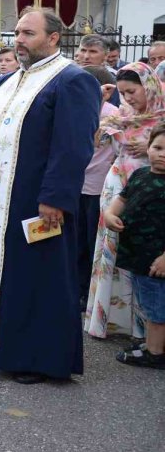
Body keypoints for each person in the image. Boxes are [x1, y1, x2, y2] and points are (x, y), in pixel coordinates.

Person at [0, 9, 100, 383]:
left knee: (38, 277)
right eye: (17, 33)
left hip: (34, 199)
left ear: (53, 38)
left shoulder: (72, 80)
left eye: (28, 33)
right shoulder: (6, 82)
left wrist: (55, 197)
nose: (18, 40)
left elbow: (73, 147)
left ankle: (37, 357)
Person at [85, 62, 165, 340]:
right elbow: (98, 137)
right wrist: (104, 103)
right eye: (123, 92)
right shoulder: (124, 113)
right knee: (114, 251)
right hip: (119, 186)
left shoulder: (162, 115)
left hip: (153, 195)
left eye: (132, 91)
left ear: (149, 86)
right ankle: (114, 322)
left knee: (147, 256)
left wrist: (151, 146)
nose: (128, 98)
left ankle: (147, 329)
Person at [101, 122, 165, 368]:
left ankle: (155, 352)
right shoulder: (140, 175)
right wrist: (109, 215)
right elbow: (121, 199)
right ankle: (151, 343)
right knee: (147, 301)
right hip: (138, 256)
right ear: (148, 148)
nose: (162, 154)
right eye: (157, 147)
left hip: (157, 261)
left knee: (157, 307)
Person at [78, 66, 119, 302]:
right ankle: (76, 286)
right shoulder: (77, 109)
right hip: (77, 183)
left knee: (90, 240)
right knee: (76, 242)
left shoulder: (112, 112)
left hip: (97, 186)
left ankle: (87, 292)